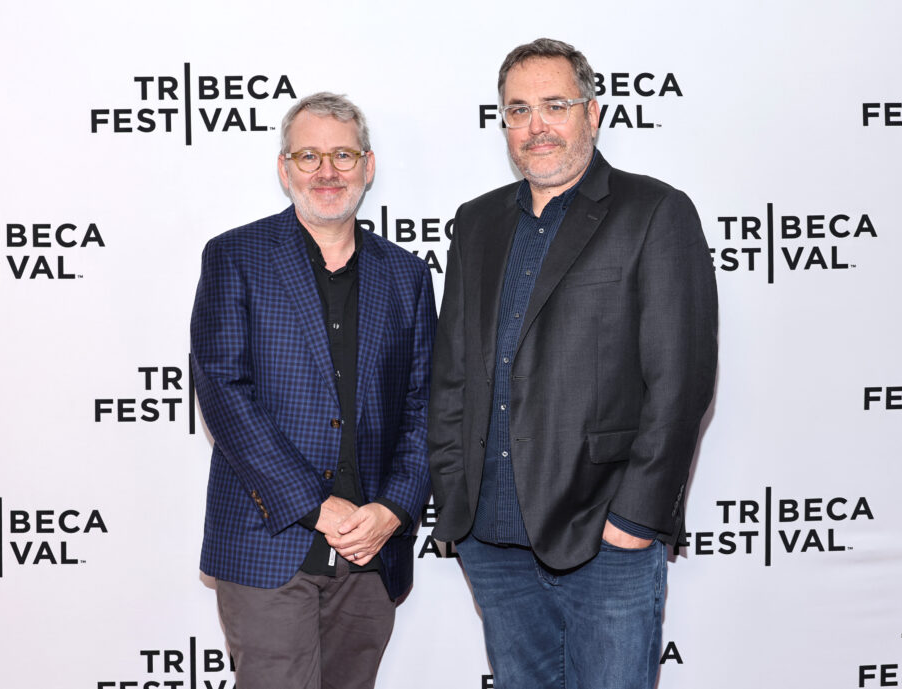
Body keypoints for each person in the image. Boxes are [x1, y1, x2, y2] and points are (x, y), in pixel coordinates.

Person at [428, 39, 718, 689]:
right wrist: (456, 500)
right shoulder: (476, 223)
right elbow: (453, 374)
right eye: (518, 109)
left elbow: (682, 380)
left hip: (602, 534)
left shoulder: (654, 212)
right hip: (491, 537)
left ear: (592, 113)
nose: (536, 126)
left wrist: (637, 517)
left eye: (555, 105)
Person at [191, 92, 435, 689]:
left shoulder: (406, 273)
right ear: (284, 168)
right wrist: (314, 506)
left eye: (343, 155)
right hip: (268, 542)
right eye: (308, 155)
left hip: (371, 553)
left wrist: (394, 508)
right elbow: (223, 389)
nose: (327, 171)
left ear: (368, 166)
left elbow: (428, 401)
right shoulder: (234, 256)